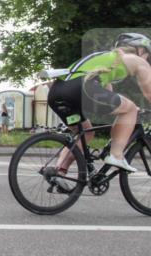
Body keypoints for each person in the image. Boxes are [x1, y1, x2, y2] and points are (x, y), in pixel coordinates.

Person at [46, 32, 151, 181]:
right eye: (148, 54)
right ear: (140, 50)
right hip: (81, 87)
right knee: (131, 108)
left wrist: (124, 113)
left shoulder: (105, 59)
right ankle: (116, 155)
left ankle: (59, 172)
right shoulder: (137, 61)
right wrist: (130, 111)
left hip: (58, 91)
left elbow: (108, 95)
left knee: (86, 132)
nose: (147, 59)